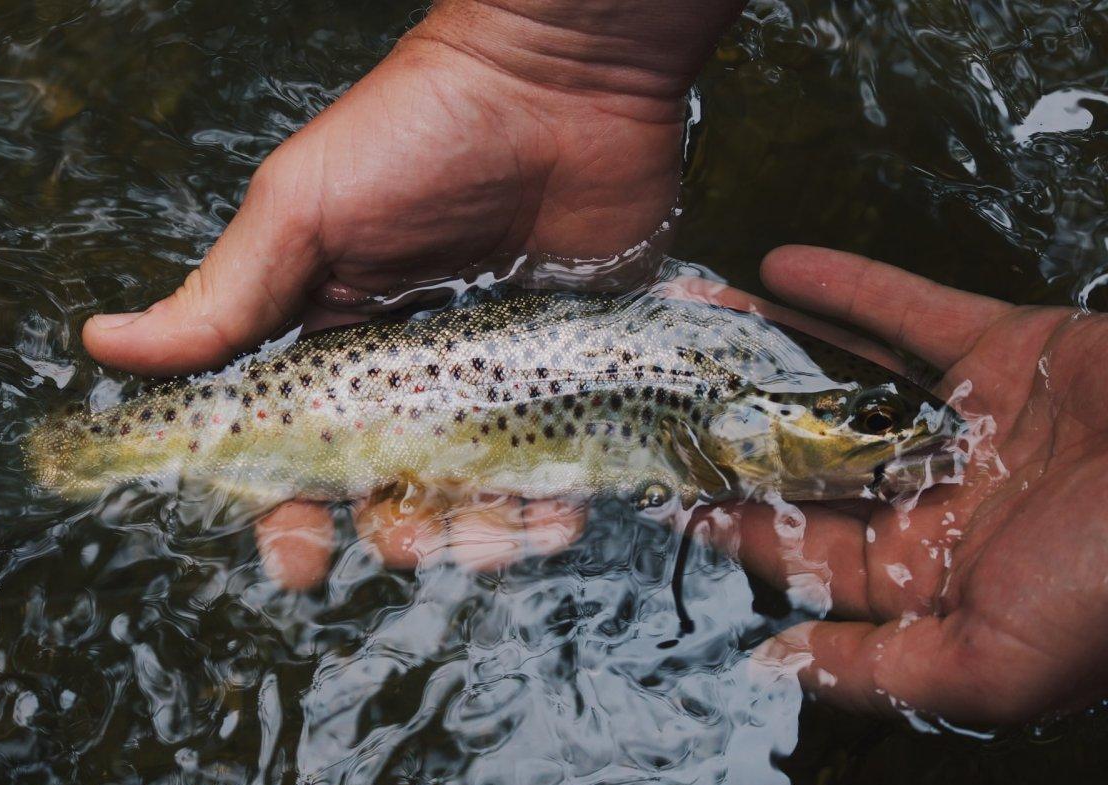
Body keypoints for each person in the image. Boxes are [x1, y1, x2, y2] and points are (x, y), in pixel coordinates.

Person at [79, 0, 1108, 726]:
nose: (914, 440)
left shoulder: (728, 405)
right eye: (877, 422)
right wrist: (541, 53)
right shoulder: (721, 399)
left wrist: (547, 48)